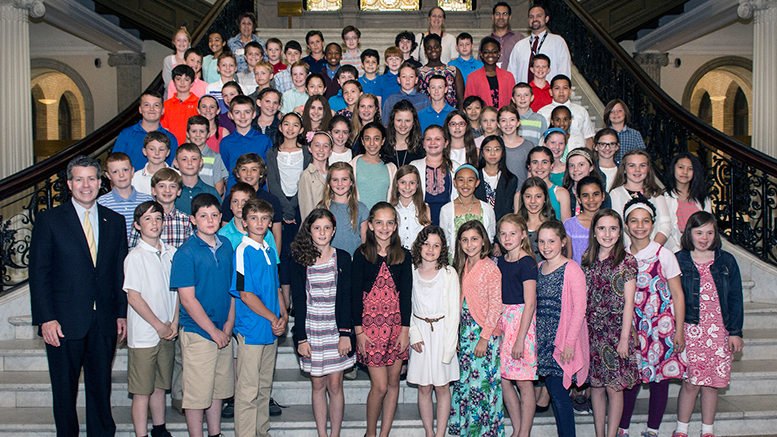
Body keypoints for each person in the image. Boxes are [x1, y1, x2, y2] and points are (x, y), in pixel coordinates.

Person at [29, 156, 128, 437]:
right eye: (79, 179)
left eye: (92, 179)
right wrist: (46, 318)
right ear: (70, 184)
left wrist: (121, 313)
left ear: (101, 182)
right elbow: (39, 274)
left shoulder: (115, 221)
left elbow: (119, 274)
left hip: (104, 321)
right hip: (63, 322)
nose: (86, 185)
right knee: (64, 390)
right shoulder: (50, 220)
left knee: (101, 389)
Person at [672, 211, 744, 437]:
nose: (704, 237)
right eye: (699, 232)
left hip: (718, 332)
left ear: (716, 234)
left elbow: (735, 298)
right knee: (691, 382)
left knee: (712, 383)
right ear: (689, 233)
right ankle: (681, 430)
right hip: (690, 331)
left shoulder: (727, 261)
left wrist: (735, 331)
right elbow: (672, 298)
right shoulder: (678, 259)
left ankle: (707, 431)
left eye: (710, 232)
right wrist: (676, 331)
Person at [619, 198, 686, 437]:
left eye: (645, 221)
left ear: (652, 224)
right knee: (631, 379)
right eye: (634, 221)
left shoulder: (664, 254)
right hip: (634, 327)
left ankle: (652, 430)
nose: (640, 226)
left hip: (661, 328)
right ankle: (622, 428)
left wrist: (679, 331)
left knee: (660, 380)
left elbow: (678, 294)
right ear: (626, 226)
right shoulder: (622, 257)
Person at [290, 209, 356, 437]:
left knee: (335, 386)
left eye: (327, 227)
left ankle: (335, 434)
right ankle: (322, 434)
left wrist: (345, 333)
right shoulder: (299, 259)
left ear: (334, 230)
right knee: (318, 385)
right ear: (309, 230)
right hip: (312, 329)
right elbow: (298, 300)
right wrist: (300, 338)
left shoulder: (344, 258)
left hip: (335, 330)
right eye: (317, 227)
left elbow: (347, 297)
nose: (322, 232)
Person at [352, 202, 412, 437]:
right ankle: (370, 433)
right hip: (370, 329)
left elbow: (406, 296)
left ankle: (384, 433)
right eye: (379, 222)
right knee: (380, 386)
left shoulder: (404, 256)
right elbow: (355, 296)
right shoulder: (362, 254)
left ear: (395, 226)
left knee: (394, 383)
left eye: (389, 223)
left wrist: (405, 331)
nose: (384, 227)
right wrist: (358, 332)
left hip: (396, 328)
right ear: (371, 225)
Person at [229, 197, 287, 437]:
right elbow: (246, 294)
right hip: (252, 328)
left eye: (264, 218)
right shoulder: (243, 251)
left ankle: (261, 432)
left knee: (264, 387)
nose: (259, 222)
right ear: (244, 222)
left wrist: (283, 315)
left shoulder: (269, 249)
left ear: (270, 221)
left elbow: (274, 287)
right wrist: (273, 317)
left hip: (270, 328)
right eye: (253, 218)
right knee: (248, 389)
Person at [579, 209, 640, 437]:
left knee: (614, 388)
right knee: (595, 386)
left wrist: (624, 338)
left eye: (613, 228)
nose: (607, 234)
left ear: (620, 231)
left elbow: (629, 304)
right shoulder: (588, 259)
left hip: (616, 333)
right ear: (594, 232)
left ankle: (612, 434)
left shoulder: (627, 261)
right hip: (592, 332)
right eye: (601, 228)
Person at [124, 201, 179, 437]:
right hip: (146, 335)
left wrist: (173, 324)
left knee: (160, 385)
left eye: (158, 218)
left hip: (168, 331)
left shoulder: (172, 253)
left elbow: (178, 293)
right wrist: (158, 325)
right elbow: (134, 298)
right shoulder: (135, 257)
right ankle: (141, 434)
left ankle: (159, 428)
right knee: (142, 390)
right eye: (147, 219)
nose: (154, 223)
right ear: (137, 225)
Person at [448, 220, 504, 436]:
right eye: (464, 240)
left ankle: (482, 432)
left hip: (483, 335)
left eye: (474, 239)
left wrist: (484, 337)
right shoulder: (462, 266)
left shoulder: (489, 267)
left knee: (481, 387)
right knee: (465, 384)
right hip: (465, 334)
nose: (469, 244)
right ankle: (464, 430)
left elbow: (495, 305)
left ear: (483, 242)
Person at [535, 220, 589, 437]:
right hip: (543, 340)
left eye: (552, 241)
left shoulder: (572, 269)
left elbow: (580, 309)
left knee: (558, 395)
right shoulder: (539, 268)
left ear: (563, 242)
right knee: (555, 394)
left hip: (562, 341)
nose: (546, 246)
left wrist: (569, 343)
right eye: (541, 241)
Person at [408, 226, 460, 437]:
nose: (430, 249)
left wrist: (450, 343)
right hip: (420, 334)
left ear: (443, 249)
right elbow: (406, 305)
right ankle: (429, 432)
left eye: (436, 245)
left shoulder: (449, 273)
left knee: (442, 386)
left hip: (442, 333)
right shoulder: (410, 271)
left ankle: (440, 434)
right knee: (424, 387)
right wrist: (413, 333)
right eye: (426, 244)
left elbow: (454, 311)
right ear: (418, 246)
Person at [496, 214, 538, 437]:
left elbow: (530, 303)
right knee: (504, 379)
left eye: (513, 233)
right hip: (504, 322)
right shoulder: (501, 261)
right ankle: (517, 427)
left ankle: (525, 432)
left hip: (522, 324)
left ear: (523, 235)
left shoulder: (527, 262)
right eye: (503, 233)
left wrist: (521, 338)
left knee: (523, 382)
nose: (507, 237)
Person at [267, 111, 310, 308]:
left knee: (301, 252)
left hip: (301, 206)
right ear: (281, 127)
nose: (290, 128)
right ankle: (285, 300)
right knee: (283, 253)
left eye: (295, 125)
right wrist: (285, 208)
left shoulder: (307, 152)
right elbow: (273, 182)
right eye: (286, 124)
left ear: (301, 130)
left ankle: (299, 297)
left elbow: (306, 179)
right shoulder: (273, 152)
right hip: (279, 206)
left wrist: (293, 207)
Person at [609, 149, 671, 247]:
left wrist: (652, 249)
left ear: (648, 169)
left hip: (656, 249)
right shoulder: (615, 194)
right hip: (628, 251)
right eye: (632, 165)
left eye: (642, 165)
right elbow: (618, 226)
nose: (637, 170)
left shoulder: (656, 194)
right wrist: (634, 251)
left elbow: (665, 225)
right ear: (624, 169)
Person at [440, 164, 497, 259]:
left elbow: (490, 237)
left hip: (480, 261)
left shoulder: (487, 209)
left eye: (470, 180)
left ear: (477, 183)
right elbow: (446, 240)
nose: (465, 184)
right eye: (461, 180)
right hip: (456, 261)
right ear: (455, 182)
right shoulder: (446, 209)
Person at [128, 168, 193, 250]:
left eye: (172, 186)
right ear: (153, 190)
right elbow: (132, 249)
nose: (167, 190)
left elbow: (190, 250)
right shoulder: (143, 219)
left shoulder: (186, 221)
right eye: (162, 186)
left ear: (179, 191)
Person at [97, 152, 154, 244]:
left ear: (132, 172)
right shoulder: (102, 202)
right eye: (115, 171)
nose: (121, 175)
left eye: (125, 170)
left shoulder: (147, 200)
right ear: (108, 176)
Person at [507, 4, 571, 84]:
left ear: (546, 19)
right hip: (524, 95)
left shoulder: (558, 42)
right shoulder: (519, 46)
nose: (535, 19)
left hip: (549, 94)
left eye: (539, 16)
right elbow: (512, 75)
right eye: (531, 17)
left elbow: (564, 72)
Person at [220, 95, 273, 191]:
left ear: (253, 114)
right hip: (234, 194)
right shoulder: (225, 142)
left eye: (247, 112)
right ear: (231, 115)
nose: (242, 116)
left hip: (259, 194)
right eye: (237, 112)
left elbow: (268, 170)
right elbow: (226, 172)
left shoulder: (264, 140)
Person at [663, 152, 712, 252]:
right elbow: (664, 230)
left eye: (690, 169)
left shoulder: (704, 199)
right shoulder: (664, 197)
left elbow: (708, 228)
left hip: (699, 252)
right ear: (673, 168)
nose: (685, 172)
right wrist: (677, 252)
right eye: (681, 167)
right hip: (673, 252)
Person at [114, 92, 178, 168]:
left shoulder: (170, 138)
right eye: (147, 105)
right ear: (140, 109)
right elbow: (115, 164)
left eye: (156, 105)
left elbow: (174, 167)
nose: (151, 109)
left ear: (163, 111)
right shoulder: (126, 134)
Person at [317, 162, 368, 255]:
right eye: (335, 180)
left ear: (351, 182)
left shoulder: (361, 209)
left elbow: (365, 241)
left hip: (353, 261)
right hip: (329, 261)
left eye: (344, 179)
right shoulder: (322, 208)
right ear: (329, 183)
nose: (339, 183)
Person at [218, 183, 279, 259]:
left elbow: (273, 262)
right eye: (235, 201)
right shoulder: (222, 234)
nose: (239, 205)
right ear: (230, 205)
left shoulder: (265, 233)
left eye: (244, 201)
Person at [411, 125, 457, 226]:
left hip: (449, 218)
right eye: (428, 139)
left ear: (446, 143)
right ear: (423, 143)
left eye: (437, 139)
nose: (433, 143)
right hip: (421, 219)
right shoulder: (414, 166)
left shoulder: (455, 167)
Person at [538, 76, 596, 149]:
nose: (561, 91)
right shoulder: (542, 112)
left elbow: (588, 138)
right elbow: (539, 138)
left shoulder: (581, 111)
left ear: (570, 91)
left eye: (565, 88)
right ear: (551, 92)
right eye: (557, 88)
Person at [350, 122, 397, 209]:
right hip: (358, 219)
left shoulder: (391, 168)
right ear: (362, 141)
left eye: (376, 139)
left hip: (383, 219)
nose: (372, 143)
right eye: (367, 139)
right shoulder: (352, 165)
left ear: (382, 141)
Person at [563, 175, 606, 266]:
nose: (591, 199)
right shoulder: (570, 225)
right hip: (578, 277)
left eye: (596, 194)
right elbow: (568, 259)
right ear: (579, 199)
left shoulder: (610, 223)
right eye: (585, 195)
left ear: (603, 196)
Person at [474, 135, 518, 222]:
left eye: (497, 149)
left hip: (501, 226)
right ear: (482, 153)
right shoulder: (475, 176)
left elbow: (507, 209)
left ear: (502, 153)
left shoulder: (510, 179)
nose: (492, 153)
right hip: (478, 224)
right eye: (488, 149)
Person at [464, 37, 515, 109]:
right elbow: (469, 103)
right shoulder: (472, 77)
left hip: (504, 118)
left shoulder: (508, 76)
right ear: (481, 54)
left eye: (494, 52)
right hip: (482, 118)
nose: (490, 55)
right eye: (486, 52)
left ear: (499, 53)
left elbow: (513, 100)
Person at [185, 116, 228, 198]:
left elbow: (219, 190)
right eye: (194, 131)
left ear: (208, 134)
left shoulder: (216, 157)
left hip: (207, 203)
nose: (198, 135)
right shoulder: (180, 157)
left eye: (202, 131)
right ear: (187, 134)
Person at [526, 145, 572, 222]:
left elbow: (567, 228)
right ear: (529, 166)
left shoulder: (561, 193)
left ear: (552, 165)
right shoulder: (520, 194)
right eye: (535, 162)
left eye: (544, 162)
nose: (539, 167)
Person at [418, 34, 464, 110]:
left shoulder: (453, 70)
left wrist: (460, 117)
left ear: (440, 48)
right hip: (427, 115)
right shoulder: (419, 72)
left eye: (436, 47)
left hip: (450, 115)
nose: (433, 50)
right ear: (425, 51)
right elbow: (416, 99)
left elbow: (461, 99)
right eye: (429, 48)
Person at [390, 165, 431, 249]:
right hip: (397, 255)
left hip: (418, 256)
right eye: (403, 182)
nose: (407, 187)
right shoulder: (391, 209)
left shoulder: (424, 208)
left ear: (417, 184)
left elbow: (427, 237)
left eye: (412, 183)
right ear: (397, 183)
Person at [173, 144, 220, 215]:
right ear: (176, 163)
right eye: (184, 159)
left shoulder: (211, 192)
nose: (189, 163)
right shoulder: (171, 192)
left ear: (200, 162)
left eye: (194, 159)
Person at [562, 148, 611, 215]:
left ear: (591, 167)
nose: (576, 169)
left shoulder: (601, 195)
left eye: (581, 165)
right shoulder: (564, 193)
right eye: (572, 165)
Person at [517, 177, 556, 260]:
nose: (533, 201)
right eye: (528, 196)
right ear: (522, 198)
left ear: (545, 198)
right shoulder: (516, 225)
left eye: (538, 196)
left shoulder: (554, 225)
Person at [298, 131, 333, 220]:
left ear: (330, 151)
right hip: (316, 224)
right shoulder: (306, 175)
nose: (321, 149)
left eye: (325, 146)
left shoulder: (333, 174)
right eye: (317, 145)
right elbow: (306, 209)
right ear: (309, 148)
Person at [500, 105, 534, 187]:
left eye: (512, 120)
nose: (508, 124)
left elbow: (532, 172)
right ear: (498, 124)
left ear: (518, 122)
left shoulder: (528, 146)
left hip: (522, 194)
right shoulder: (495, 145)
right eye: (503, 120)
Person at [603, 99, 646, 164]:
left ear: (625, 113)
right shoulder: (603, 135)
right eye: (612, 111)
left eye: (619, 111)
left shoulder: (635, 134)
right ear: (608, 115)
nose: (616, 114)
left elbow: (642, 156)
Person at [133, 131, 173, 196]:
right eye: (152, 149)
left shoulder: (177, 175)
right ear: (145, 151)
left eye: (161, 149)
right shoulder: (135, 178)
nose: (157, 153)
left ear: (168, 152)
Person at [512, 82, 549, 148]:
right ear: (513, 99)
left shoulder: (540, 119)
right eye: (518, 95)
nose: (522, 98)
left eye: (526, 95)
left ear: (532, 98)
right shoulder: (510, 119)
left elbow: (544, 142)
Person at [490, 2, 524, 71]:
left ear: (510, 17)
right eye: (498, 14)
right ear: (493, 17)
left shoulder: (519, 39)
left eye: (504, 14)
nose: (501, 17)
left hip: (513, 80)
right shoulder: (486, 41)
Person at [163, 27, 191, 92]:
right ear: (174, 42)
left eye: (185, 40)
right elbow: (168, 83)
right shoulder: (168, 60)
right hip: (172, 95)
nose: (181, 42)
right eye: (178, 40)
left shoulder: (192, 60)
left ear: (189, 43)